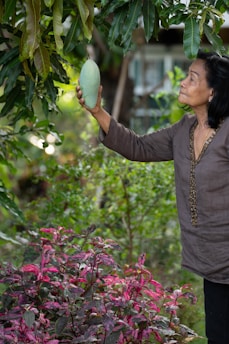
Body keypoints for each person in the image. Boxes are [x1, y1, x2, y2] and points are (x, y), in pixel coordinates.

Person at [77, 50, 229, 344]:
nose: (183, 83)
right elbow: (138, 147)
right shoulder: (184, 129)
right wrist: (97, 111)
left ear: (213, 92)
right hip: (213, 263)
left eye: (192, 78)